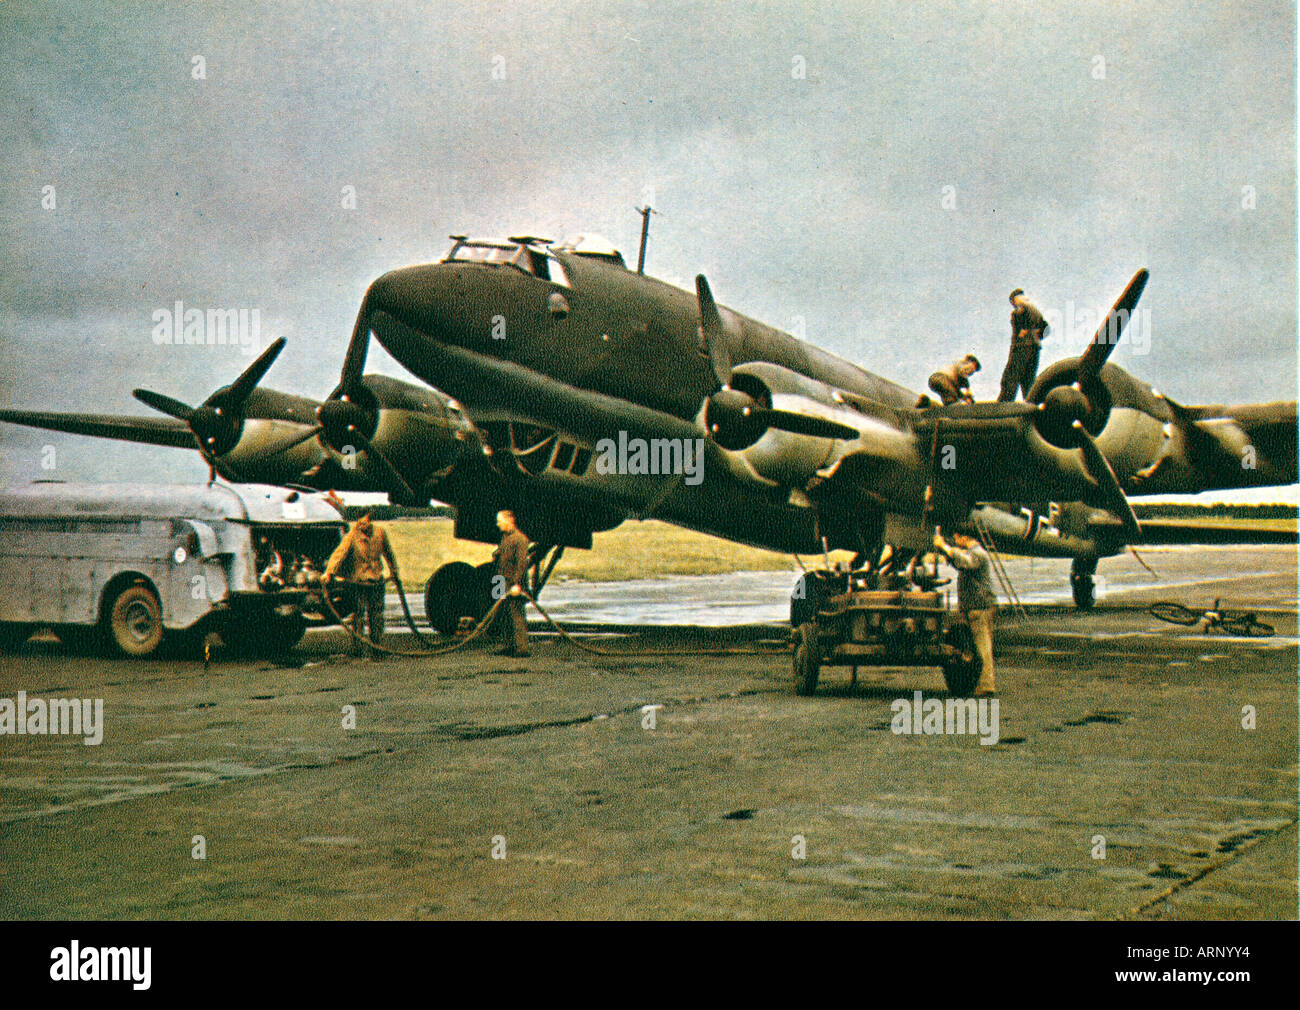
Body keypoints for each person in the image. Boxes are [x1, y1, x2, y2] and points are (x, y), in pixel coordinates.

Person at [324, 511, 400, 658]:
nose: (361, 525)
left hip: (376, 580)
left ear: (370, 521)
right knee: (358, 615)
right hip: (358, 582)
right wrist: (329, 572)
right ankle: (357, 649)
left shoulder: (380, 533)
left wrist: (394, 571)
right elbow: (339, 554)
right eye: (359, 523)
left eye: (364, 523)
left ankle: (377, 648)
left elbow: (388, 553)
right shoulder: (352, 535)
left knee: (376, 615)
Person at [932, 529, 997, 695]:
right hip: (976, 607)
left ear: (965, 537)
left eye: (957, 537)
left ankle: (985, 685)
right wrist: (946, 552)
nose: (955, 540)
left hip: (979, 608)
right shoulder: (974, 553)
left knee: (982, 647)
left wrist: (945, 547)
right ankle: (981, 684)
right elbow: (960, 562)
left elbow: (965, 562)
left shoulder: (977, 554)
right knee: (978, 646)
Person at [998, 288, 1049, 402]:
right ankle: (1031, 407)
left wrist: (1025, 330)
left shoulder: (1021, 308)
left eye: (1013, 302)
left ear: (1016, 299)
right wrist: (1036, 335)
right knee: (1028, 381)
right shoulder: (1036, 310)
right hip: (1035, 348)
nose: (1014, 305)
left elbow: (1020, 316)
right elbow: (1046, 328)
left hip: (1022, 346)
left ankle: (1003, 407)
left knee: (1010, 377)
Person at [493, 510, 532, 657]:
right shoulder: (505, 537)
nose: (498, 524)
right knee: (503, 615)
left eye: (500, 521)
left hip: (513, 583)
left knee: (516, 615)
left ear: (509, 520)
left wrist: (517, 584)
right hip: (501, 581)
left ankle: (522, 649)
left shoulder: (520, 539)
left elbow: (521, 564)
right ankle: (507, 646)